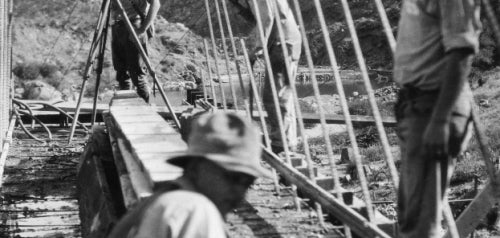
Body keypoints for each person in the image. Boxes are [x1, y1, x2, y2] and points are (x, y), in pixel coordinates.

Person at [393, 0, 481, 237]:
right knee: (411, 218)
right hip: (419, 107)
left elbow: (462, 51)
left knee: (420, 226)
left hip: (433, 108)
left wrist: (440, 120)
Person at [108, 112, 271, 238]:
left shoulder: (160, 201)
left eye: (248, 182)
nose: (239, 191)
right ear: (195, 167)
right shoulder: (193, 209)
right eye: (233, 177)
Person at [246, 0, 302, 154]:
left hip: (282, 44)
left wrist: (258, 48)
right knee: (283, 96)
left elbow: (267, 18)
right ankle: (287, 140)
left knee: (274, 97)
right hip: (286, 42)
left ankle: (281, 142)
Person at [110, 0, 160, 103]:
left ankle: (144, 111)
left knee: (137, 74)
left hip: (133, 25)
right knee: (121, 73)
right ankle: (126, 107)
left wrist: (142, 29)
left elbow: (156, 3)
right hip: (117, 26)